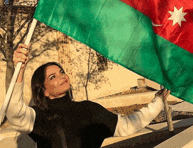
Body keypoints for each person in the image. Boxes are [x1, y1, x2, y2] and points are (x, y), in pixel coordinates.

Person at [6, 43, 170, 148]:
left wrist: (158, 102)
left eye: (61, 71)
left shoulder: (89, 109)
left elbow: (128, 126)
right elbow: (14, 113)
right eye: (52, 77)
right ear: (44, 90)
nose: (62, 75)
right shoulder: (40, 117)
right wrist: (19, 70)